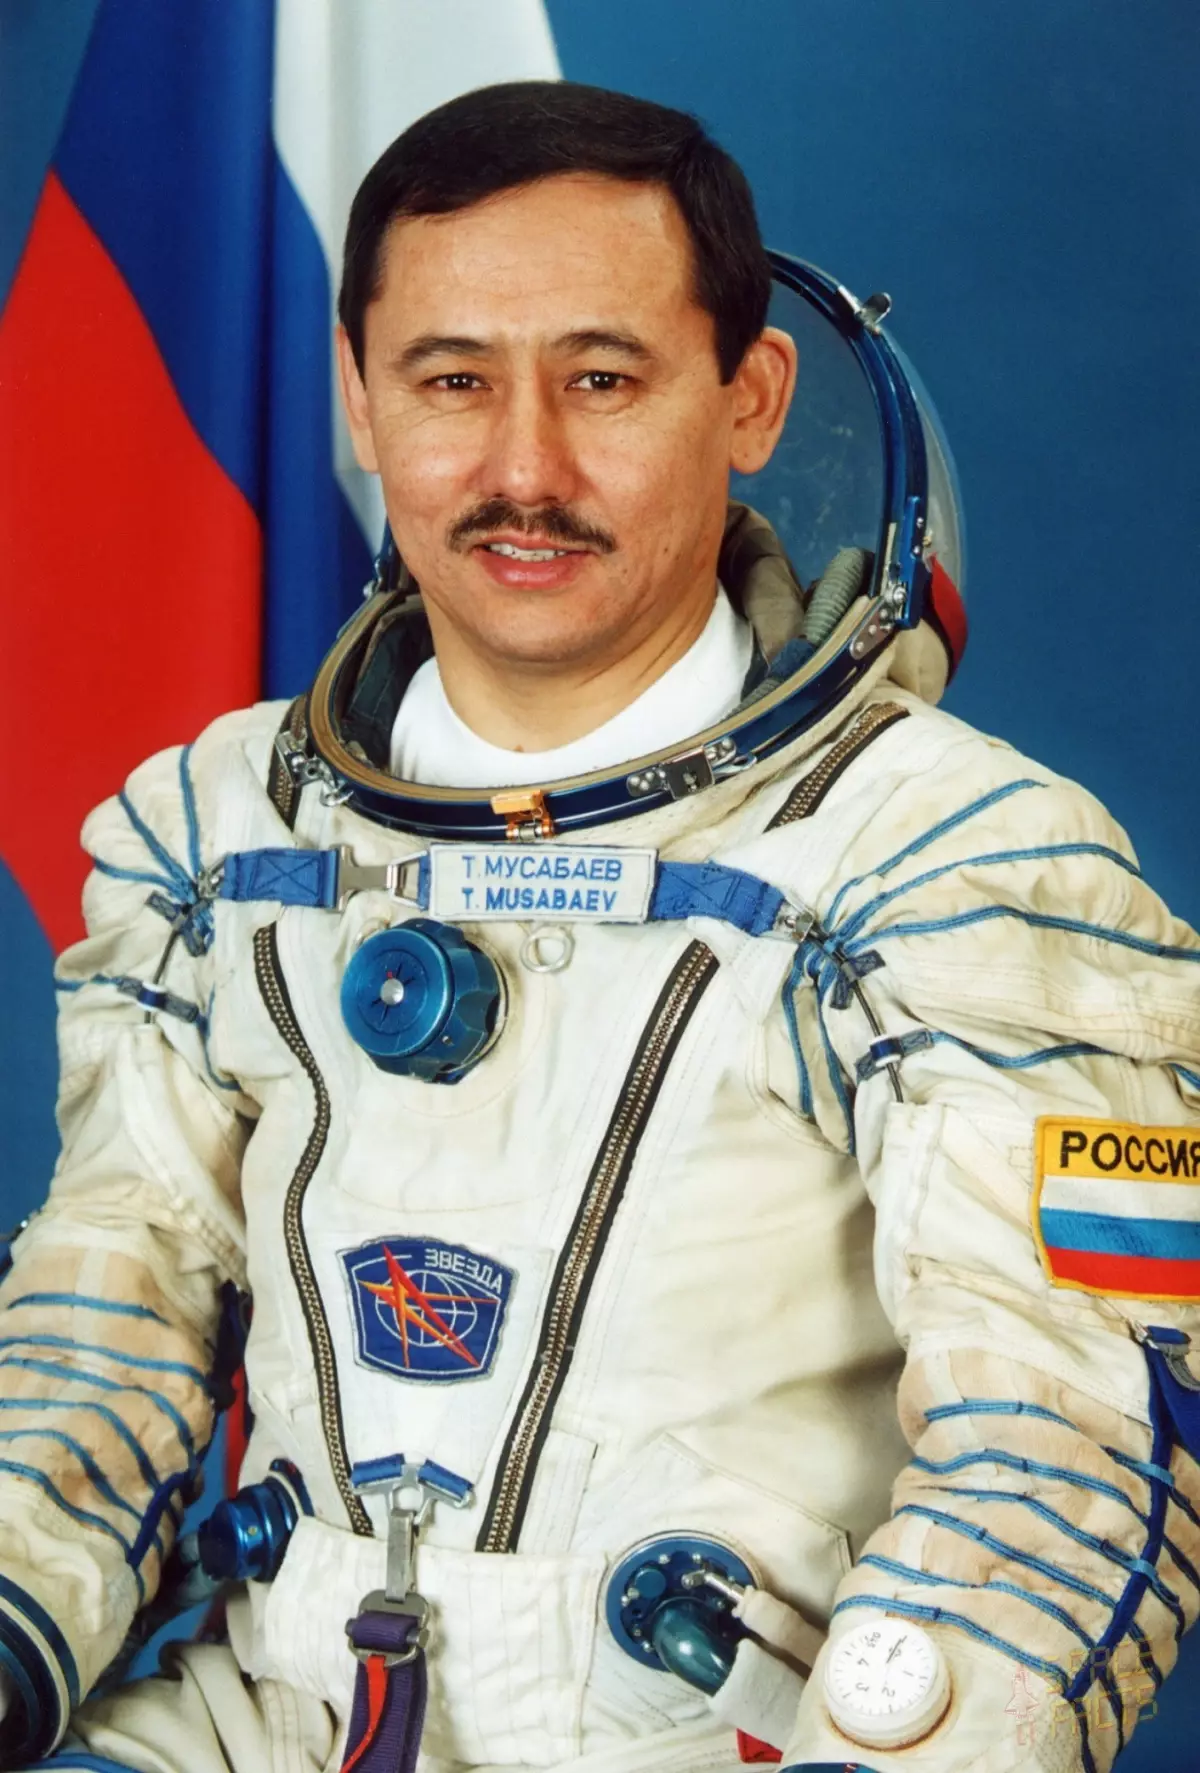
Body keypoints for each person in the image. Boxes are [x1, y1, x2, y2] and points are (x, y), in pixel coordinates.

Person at [0, 78, 1197, 1773]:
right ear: (358, 397)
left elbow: (1068, 1450)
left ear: (749, 396)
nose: (524, 470)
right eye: (452, 380)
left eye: (603, 379)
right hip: (276, 1717)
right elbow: (98, 1329)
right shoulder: (225, 840)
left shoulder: (960, 866)